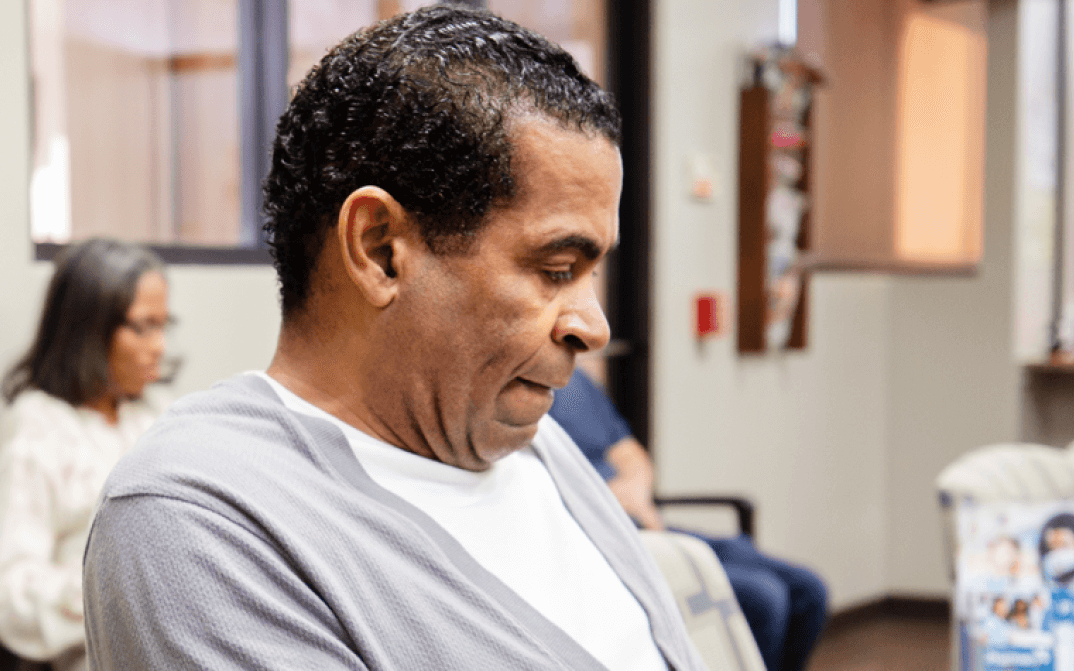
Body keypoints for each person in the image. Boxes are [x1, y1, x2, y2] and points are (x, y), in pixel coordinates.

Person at [82, 7, 707, 669]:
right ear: (380, 250)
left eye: (592, 272)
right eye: (556, 269)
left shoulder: (535, 446)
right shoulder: (200, 522)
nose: (594, 325)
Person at [548, 372, 829, 671]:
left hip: (652, 526)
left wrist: (634, 493)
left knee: (807, 589)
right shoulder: (521, 396)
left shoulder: (576, 381)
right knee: (763, 597)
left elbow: (629, 452)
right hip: (606, 543)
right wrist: (606, 503)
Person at [0, 238, 171, 670]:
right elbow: (9, 599)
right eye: (143, 327)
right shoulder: (34, 430)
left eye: (163, 326)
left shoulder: (158, 415)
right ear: (89, 329)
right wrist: (122, 591)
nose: (159, 346)